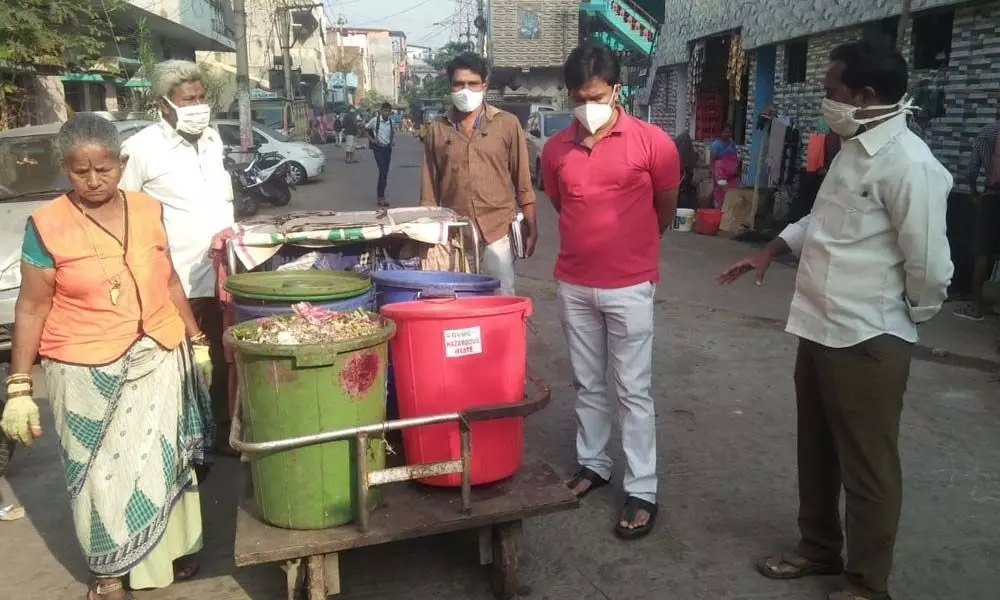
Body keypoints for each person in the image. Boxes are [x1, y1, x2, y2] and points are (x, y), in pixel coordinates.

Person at [718, 41, 953, 600]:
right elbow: (821, 221)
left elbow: (931, 266)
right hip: (818, 328)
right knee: (816, 450)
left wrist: (901, 319)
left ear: (866, 97)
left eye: (833, 92)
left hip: (868, 337)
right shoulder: (852, 148)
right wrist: (770, 248)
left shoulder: (911, 165)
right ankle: (818, 548)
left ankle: (867, 583)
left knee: (868, 469)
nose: (827, 101)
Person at [0, 114, 214, 600]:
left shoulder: (147, 209)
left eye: (104, 169)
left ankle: (173, 549)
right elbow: (31, 306)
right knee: (99, 473)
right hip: (82, 366)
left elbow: (171, 279)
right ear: (64, 169)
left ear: (122, 164)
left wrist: (197, 341)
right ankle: (109, 570)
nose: (94, 181)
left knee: (165, 458)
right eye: (80, 172)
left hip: (157, 351)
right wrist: (19, 386)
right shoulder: (46, 225)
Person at [540, 41, 679, 539]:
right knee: (588, 383)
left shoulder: (653, 142)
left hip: (630, 285)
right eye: (578, 96)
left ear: (617, 90)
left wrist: (633, 245)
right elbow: (561, 204)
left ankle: (643, 487)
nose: (587, 105)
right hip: (574, 284)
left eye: (596, 95)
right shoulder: (556, 149)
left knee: (633, 390)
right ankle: (593, 464)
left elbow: (665, 206)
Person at [119, 60, 235, 454]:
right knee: (181, 366)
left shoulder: (213, 140)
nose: (198, 106)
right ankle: (181, 442)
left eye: (202, 98)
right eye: (189, 99)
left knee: (221, 360)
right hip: (174, 284)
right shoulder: (139, 150)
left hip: (221, 276)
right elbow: (124, 215)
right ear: (165, 103)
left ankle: (220, 433)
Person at [420, 52, 538, 295]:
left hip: (498, 232)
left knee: (501, 297)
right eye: (459, 84)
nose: (466, 90)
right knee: (459, 302)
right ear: (450, 86)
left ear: (484, 84)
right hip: (455, 234)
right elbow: (429, 188)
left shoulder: (507, 124)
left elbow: (523, 181)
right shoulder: (437, 130)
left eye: (472, 83)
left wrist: (531, 223)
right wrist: (427, 235)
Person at [953, 110, 1000, 321]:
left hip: (992, 198)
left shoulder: (987, 132)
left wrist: (974, 194)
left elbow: (971, 170)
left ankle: (976, 308)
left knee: (982, 253)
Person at [367, 102, 395, 207]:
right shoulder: (375, 121)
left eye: (388, 111)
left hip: (387, 149)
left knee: (385, 173)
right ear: (381, 111)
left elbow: (392, 132)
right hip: (378, 149)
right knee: (382, 171)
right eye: (385, 110)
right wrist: (372, 139)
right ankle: (380, 197)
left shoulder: (391, 122)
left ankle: (381, 197)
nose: (386, 113)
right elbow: (366, 128)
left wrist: (392, 141)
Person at [709, 124, 739, 208]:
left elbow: (734, 156)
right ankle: (718, 211)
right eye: (726, 132)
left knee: (732, 192)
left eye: (729, 132)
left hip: (732, 175)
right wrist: (712, 172)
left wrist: (736, 169)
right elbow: (711, 160)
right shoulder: (716, 144)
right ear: (720, 133)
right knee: (721, 191)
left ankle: (728, 213)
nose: (728, 134)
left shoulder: (731, 143)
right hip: (720, 174)